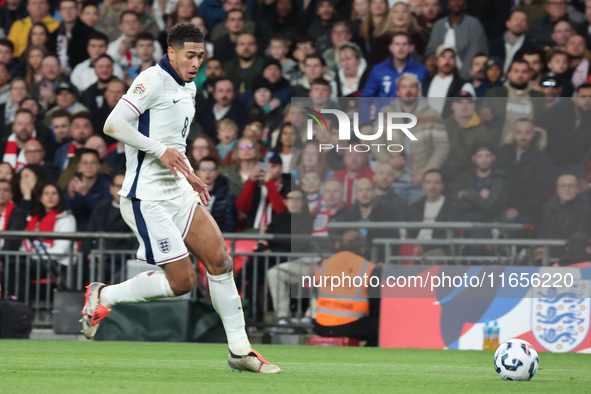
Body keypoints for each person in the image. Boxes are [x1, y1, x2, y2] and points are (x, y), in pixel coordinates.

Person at [83, 23, 280, 373]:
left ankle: (240, 351)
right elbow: (113, 124)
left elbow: (176, 145)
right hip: (147, 198)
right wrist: (160, 151)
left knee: (220, 262)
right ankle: (104, 296)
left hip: (178, 191)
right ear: (170, 52)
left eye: (201, 56)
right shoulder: (152, 80)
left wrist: (189, 172)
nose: (196, 63)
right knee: (183, 282)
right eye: (190, 55)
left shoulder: (187, 88)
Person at [371, 73, 450, 205]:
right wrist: (388, 160)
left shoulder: (432, 114)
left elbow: (442, 148)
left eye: (412, 87)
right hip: (393, 181)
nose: (408, 90)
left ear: (418, 91)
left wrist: (426, 173)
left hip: (421, 183)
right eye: (404, 87)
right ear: (398, 91)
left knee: (416, 223)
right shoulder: (386, 113)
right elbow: (376, 142)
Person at [313, 230, 381, 346]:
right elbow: (376, 305)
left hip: (321, 325)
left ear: (339, 245)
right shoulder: (368, 268)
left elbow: (316, 291)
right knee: (382, 325)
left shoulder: (325, 263)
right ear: (362, 248)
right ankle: (366, 357)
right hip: (350, 326)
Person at [494, 118, 554, 223]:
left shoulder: (543, 159)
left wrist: (518, 209)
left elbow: (541, 191)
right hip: (497, 207)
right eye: (519, 132)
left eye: (527, 132)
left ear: (533, 134)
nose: (523, 137)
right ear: (513, 134)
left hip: (526, 212)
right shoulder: (501, 153)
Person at [82, 171, 135, 282]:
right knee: (73, 271)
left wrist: (105, 255)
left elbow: (132, 243)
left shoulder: (134, 211)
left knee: (98, 273)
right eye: (118, 186)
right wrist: (88, 254)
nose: (122, 190)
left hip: (117, 262)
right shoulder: (100, 207)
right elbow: (89, 233)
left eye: (125, 186)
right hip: (93, 259)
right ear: (111, 189)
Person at [479, 59, 545, 146]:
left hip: (529, 148)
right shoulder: (494, 93)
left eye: (524, 72)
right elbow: (481, 113)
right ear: (508, 74)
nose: (520, 75)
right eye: (516, 71)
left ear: (529, 75)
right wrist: (483, 114)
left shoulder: (538, 96)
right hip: (500, 146)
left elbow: (543, 122)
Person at [425, 0, 489, 80]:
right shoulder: (439, 25)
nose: (456, 2)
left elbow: (475, 53)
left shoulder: (474, 25)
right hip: (440, 75)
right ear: (447, 4)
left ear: (465, 3)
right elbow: (431, 51)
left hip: (466, 78)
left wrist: (461, 77)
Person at [533, 173, 591, 261]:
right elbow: (542, 231)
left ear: (578, 189)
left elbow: (580, 237)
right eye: (563, 185)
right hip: (547, 255)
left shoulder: (585, 210)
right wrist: (540, 247)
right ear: (557, 189)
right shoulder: (548, 207)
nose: (567, 188)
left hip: (571, 258)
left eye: (571, 185)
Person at [407, 169, 462, 256]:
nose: (432, 186)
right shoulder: (416, 206)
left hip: (441, 248)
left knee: (428, 257)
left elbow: (449, 235)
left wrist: (424, 247)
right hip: (416, 247)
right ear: (423, 185)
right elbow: (409, 232)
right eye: (428, 182)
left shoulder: (452, 205)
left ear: (442, 185)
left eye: (436, 182)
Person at [441, 92, 493, 182]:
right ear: (453, 106)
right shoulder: (442, 125)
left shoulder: (482, 130)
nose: (464, 106)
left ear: (474, 106)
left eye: (468, 103)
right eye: (460, 102)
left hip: (470, 178)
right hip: (443, 175)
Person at [541, 83, 591, 177]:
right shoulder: (556, 112)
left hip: (573, 164)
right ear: (575, 98)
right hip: (545, 160)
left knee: (581, 188)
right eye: (583, 96)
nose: (587, 101)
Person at [451, 143, 508, 223]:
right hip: (464, 222)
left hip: (488, 224)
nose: (484, 160)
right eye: (480, 156)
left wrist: (466, 194)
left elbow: (492, 207)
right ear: (474, 158)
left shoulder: (499, 178)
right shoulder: (464, 178)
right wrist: (480, 197)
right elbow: (453, 202)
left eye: (487, 155)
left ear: (493, 158)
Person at [235, 152, 289, 231]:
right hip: (252, 230)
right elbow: (242, 208)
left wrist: (269, 183)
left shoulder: (288, 185)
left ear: (281, 169)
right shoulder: (255, 184)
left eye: (273, 166)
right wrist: (251, 180)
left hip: (277, 232)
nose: (268, 170)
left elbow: (282, 211)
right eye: (265, 166)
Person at [421, 44, 475, 118]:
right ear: (437, 61)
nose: (447, 61)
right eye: (443, 57)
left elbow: (470, 112)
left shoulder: (464, 86)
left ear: (455, 61)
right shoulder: (425, 83)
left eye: (451, 57)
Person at [64, 148, 111, 231]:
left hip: (98, 231)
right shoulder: (74, 182)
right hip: (77, 230)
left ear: (99, 166)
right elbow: (67, 211)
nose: (89, 166)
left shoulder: (107, 185)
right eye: (85, 163)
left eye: (93, 162)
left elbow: (103, 213)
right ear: (79, 166)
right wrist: (71, 196)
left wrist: (86, 194)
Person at [194, 78, 246, 143]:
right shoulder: (203, 112)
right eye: (220, 91)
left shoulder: (241, 113)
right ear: (214, 94)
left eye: (228, 91)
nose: (224, 95)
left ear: (234, 94)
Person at [50, 0, 95, 72]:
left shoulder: (89, 33)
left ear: (78, 10)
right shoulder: (54, 35)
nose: (68, 12)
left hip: (83, 73)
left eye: (72, 8)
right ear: (59, 12)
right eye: (64, 9)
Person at [195, 156, 237, 233]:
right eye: (204, 169)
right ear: (197, 172)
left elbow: (229, 225)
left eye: (211, 169)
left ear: (216, 173)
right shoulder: (190, 195)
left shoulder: (227, 196)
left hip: (220, 238)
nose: (208, 172)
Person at [488, 10, 535, 75]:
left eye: (522, 20)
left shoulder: (531, 48)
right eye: (515, 19)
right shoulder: (493, 44)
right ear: (507, 23)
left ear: (527, 26)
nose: (518, 23)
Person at [0, 179, 27, 251]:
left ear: (11, 195)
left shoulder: (18, 213)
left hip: (7, 257)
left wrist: (1, 256)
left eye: (5, 190)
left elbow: (14, 239)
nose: (1, 193)